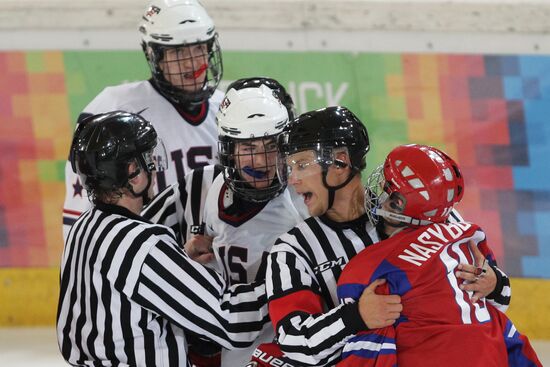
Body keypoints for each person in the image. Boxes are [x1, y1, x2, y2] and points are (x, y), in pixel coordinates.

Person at [263, 106, 512, 366]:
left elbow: (497, 299)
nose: (292, 179)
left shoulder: (421, 211)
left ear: (340, 162)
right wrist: (354, 317)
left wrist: (493, 284)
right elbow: (293, 342)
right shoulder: (292, 251)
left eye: (301, 165)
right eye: (290, 167)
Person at [56, 111, 268, 367]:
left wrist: (177, 262)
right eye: (148, 158)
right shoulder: (141, 245)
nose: (154, 167)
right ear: (133, 172)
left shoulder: (84, 227)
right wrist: (289, 283)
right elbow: (231, 320)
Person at [142, 77, 308, 367]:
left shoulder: (307, 196)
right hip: (225, 352)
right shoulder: (201, 184)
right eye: (248, 148)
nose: (260, 161)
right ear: (229, 150)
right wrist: (181, 257)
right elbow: (137, 241)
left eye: (270, 146)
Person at [336, 144, 541, 367]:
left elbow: (370, 350)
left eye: (387, 186)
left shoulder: (369, 267)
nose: (379, 191)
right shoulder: (469, 238)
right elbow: (500, 320)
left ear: (397, 203)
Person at [62, 0, 224, 239]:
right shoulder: (113, 109)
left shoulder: (228, 110)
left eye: (199, 48)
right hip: (141, 262)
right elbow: (81, 212)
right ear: (154, 55)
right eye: (178, 51)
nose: (192, 63)